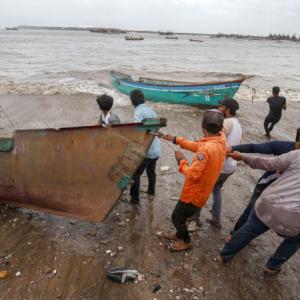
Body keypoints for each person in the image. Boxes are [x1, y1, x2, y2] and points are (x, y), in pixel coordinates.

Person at [218, 150, 300, 275]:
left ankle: (224, 255)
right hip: (293, 218)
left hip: (268, 203)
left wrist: (242, 156)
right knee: (295, 240)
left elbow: (268, 163)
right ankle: (272, 266)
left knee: (249, 230)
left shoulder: (297, 154)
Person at [163, 110, 227, 251]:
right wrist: (176, 139)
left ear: (202, 127)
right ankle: (180, 234)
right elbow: (197, 145)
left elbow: (192, 175)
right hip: (204, 190)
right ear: (220, 128)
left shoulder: (206, 149)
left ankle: (185, 241)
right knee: (180, 216)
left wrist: (181, 160)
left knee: (177, 218)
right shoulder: (220, 139)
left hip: (194, 193)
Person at [226, 127, 300, 242]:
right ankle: (235, 234)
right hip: (266, 185)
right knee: (251, 209)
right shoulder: (284, 147)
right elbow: (254, 148)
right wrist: (232, 148)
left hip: (287, 195)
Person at [206, 98, 242, 228]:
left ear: (227, 110)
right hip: (230, 166)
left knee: (203, 188)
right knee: (216, 189)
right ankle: (216, 219)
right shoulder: (237, 124)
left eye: (221, 106)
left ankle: (194, 216)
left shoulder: (227, 122)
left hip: (221, 166)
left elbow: (215, 139)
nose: (219, 108)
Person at [129, 89, 161, 203]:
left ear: (132, 101)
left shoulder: (138, 112)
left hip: (147, 151)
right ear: (143, 99)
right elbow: (156, 127)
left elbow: (139, 131)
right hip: (156, 149)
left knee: (135, 174)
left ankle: (134, 199)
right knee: (151, 172)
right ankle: (151, 192)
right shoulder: (151, 110)